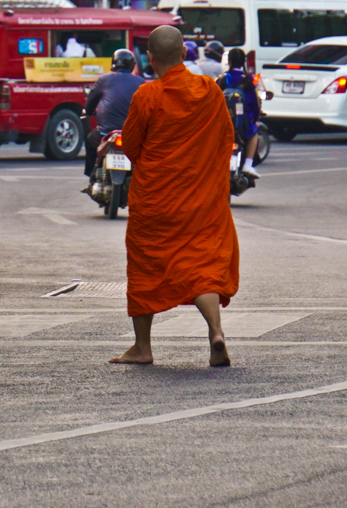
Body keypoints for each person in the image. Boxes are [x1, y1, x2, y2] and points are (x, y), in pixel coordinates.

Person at [110, 25, 239, 367]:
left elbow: (133, 145)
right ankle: (215, 331)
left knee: (146, 267)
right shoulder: (209, 90)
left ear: (149, 59)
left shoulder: (147, 96)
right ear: (184, 54)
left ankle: (142, 347)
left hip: (156, 200)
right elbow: (226, 137)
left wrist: (159, 170)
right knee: (203, 266)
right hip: (201, 198)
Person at [82, 49, 145, 184]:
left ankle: (91, 176)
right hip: (132, 133)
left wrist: (86, 112)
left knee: (89, 141)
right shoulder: (140, 82)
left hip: (106, 131)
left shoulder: (104, 79)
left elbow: (91, 100)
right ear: (132, 65)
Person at [216, 48, 262, 179]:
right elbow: (255, 104)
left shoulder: (222, 79)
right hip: (243, 124)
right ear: (244, 62)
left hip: (223, 122)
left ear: (228, 61)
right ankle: (248, 164)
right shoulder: (249, 80)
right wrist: (256, 118)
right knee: (254, 133)